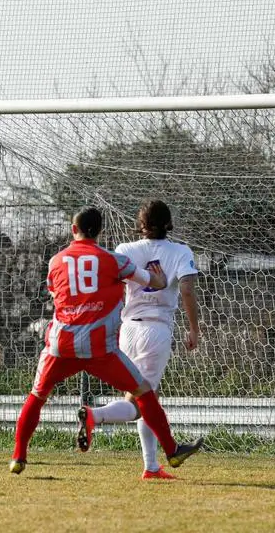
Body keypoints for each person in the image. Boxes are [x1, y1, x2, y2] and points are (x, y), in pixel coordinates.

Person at [9, 206, 203, 475]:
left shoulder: (56, 261)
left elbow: (56, 293)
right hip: (105, 345)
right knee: (144, 394)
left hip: (63, 344)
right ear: (100, 232)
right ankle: (168, 450)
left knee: (37, 395)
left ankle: (18, 456)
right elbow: (161, 283)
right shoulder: (114, 259)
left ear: (73, 229)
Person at [81, 199, 201, 480]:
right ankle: (93, 416)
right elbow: (186, 289)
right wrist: (194, 328)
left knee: (147, 398)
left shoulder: (125, 250)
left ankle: (151, 467)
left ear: (141, 224)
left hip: (127, 330)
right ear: (169, 223)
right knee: (140, 403)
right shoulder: (180, 251)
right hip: (155, 331)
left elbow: (108, 284)